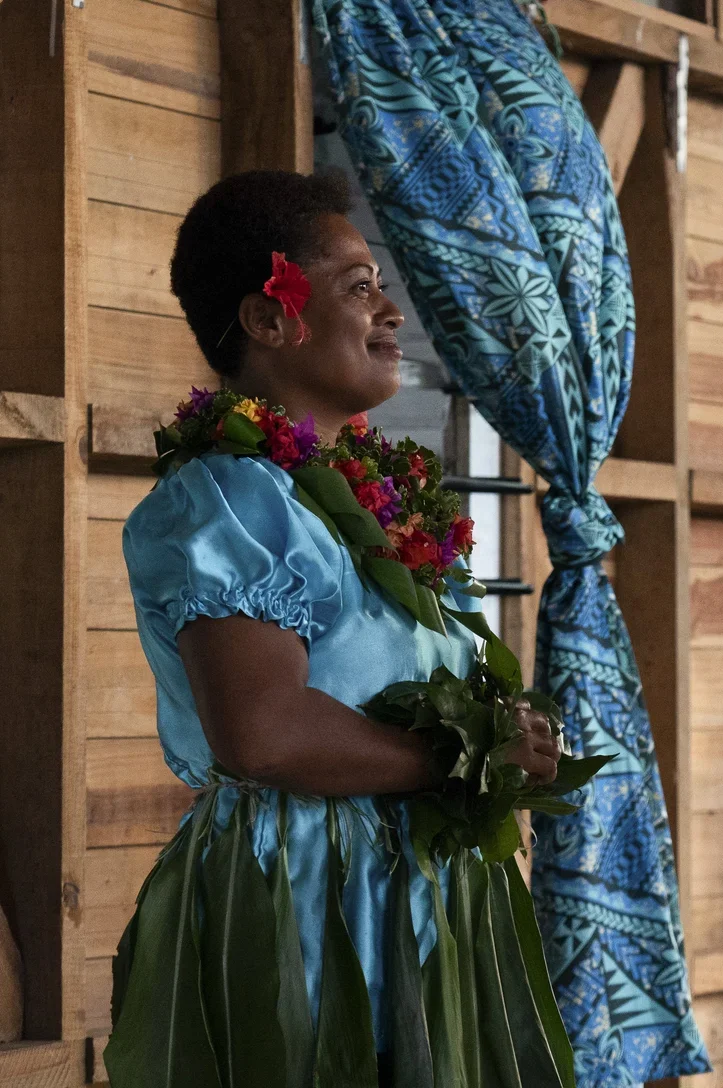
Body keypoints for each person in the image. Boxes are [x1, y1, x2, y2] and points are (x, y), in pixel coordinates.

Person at [105, 170, 562, 1088]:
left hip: (416, 905)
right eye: (359, 287)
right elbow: (266, 737)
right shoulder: (232, 499)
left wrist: (508, 735)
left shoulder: (379, 501)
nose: (390, 311)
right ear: (271, 320)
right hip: (304, 913)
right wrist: (464, 762)